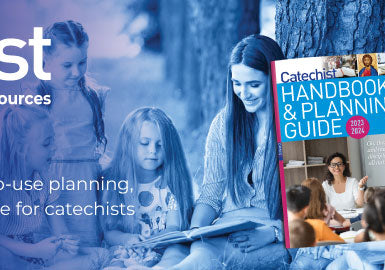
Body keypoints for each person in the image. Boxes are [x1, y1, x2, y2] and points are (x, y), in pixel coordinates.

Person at [170, 35, 288, 270]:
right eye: (237, 83)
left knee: (217, 258)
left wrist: (274, 232)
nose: (244, 93)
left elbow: (315, 204)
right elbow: (211, 194)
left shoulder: (294, 123)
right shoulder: (224, 122)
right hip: (228, 227)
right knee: (201, 251)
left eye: (254, 84)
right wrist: (196, 231)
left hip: (277, 235)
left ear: (273, 79)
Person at [0, 106, 104, 269]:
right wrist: (33, 250)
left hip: (31, 253)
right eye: (46, 144)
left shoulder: (44, 180)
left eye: (53, 140)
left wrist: (67, 242)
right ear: (20, 149)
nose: (54, 148)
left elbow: (60, 230)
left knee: (99, 254)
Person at [25, 20, 110, 247]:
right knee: (54, 247)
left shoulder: (92, 96)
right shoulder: (37, 97)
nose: (76, 72)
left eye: (82, 63)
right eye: (67, 65)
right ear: (45, 59)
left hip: (84, 182)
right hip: (49, 180)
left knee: (86, 245)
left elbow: (94, 143)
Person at [99, 107, 192, 269]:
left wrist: (151, 243)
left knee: (175, 254)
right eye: (144, 143)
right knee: (115, 265)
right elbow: (109, 232)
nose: (152, 151)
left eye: (160, 145)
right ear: (128, 144)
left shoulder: (170, 186)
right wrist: (127, 239)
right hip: (125, 249)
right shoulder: (115, 184)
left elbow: (173, 227)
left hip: (160, 249)